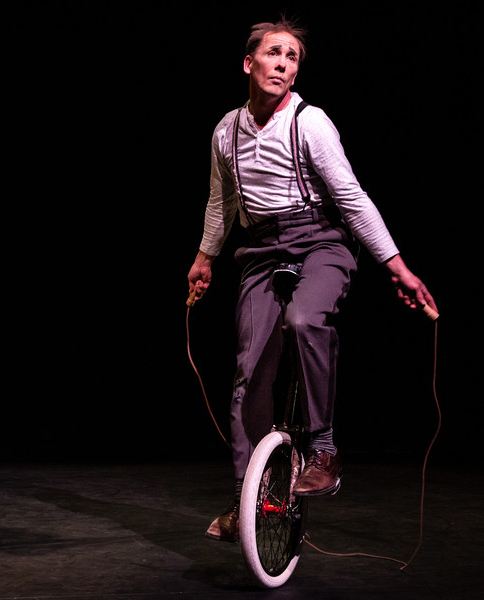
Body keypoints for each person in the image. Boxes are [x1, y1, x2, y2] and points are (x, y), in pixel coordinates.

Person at [186, 18, 438, 543]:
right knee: (247, 374)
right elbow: (221, 201)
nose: (283, 64)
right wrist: (205, 257)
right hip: (261, 248)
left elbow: (351, 197)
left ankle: (323, 449)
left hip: (321, 239)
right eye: (273, 53)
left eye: (292, 57)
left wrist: (397, 266)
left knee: (303, 321)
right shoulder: (226, 130)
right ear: (248, 63)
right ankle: (246, 498)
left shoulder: (310, 122)